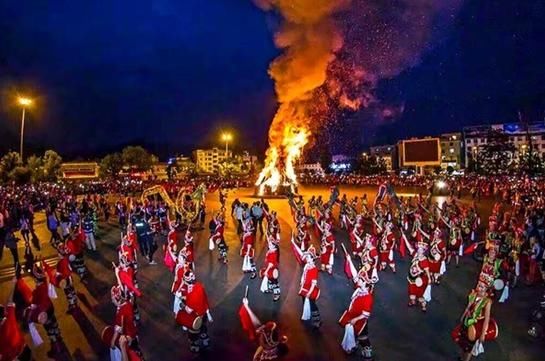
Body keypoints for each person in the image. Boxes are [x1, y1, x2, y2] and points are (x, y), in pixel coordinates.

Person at [452, 276, 498, 361]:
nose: (479, 288)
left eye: (481, 286)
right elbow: (468, 307)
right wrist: (462, 317)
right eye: (478, 285)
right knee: (463, 343)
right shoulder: (473, 294)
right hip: (467, 322)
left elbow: (486, 319)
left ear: (486, 289)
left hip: (475, 327)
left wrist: (483, 334)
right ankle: (461, 358)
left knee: (469, 348)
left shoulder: (487, 302)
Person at [339, 265, 376, 359]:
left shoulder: (368, 297)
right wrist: (349, 261)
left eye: (360, 280)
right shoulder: (360, 290)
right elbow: (354, 275)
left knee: (363, 337)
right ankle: (352, 345)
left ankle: (368, 354)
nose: (358, 281)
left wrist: (355, 319)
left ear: (365, 283)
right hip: (353, 315)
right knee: (355, 333)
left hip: (360, 320)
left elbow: (366, 314)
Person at [175, 270, 213, 353]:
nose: (193, 277)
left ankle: (199, 342)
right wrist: (185, 300)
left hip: (198, 315)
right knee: (198, 330)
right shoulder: (194, 287)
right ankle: (200, 342)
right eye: (191, 276)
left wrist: (183, 305)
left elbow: (191, 308)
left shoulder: (196, 290)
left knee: (198, 330)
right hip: (198, 315)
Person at [0, 278, 31, 361]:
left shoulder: (9, 322)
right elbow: (10, 302)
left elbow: (9, 302)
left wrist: (13, 284)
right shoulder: (9, 322)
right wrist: (13, 284)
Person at [298, 245, 321, 329]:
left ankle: (317, 321)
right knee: (304, 301)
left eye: (308, 257)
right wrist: (301, 282)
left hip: (310, 290)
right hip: (305, 287)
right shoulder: (307, 265)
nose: (306, 258)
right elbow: (304, 275)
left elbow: (313, 284)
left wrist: (309, 292)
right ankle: (306, 315)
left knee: (312, 304)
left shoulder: (314, 269)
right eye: (307, 256)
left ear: (312, 258)